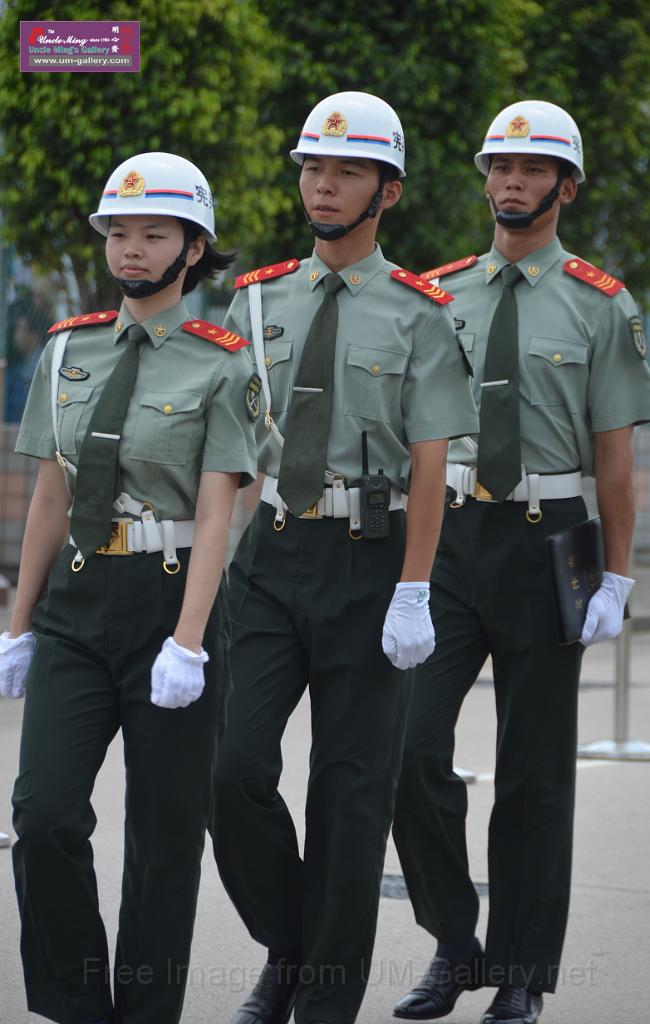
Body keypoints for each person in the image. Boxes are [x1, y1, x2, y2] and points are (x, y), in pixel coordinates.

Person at [210, 91, 478, 1024]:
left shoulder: (423, 313)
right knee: (231, 769)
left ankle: (321, 1001)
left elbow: (436, 459)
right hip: (270, 556)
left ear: (387, 191)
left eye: (347, 172)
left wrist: (415, 590)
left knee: (350, 795)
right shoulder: (255, 297)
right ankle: (290, 944)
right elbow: (233, 451)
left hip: (373, 564)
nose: (323, 186)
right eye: (314, 169)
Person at [391, 100, 650, 1024]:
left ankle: (522, 976)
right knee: (406, 750)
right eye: (499, 167)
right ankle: (457, 942)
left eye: (531, 169)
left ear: (564, 186)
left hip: (555, 537)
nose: (510, 182)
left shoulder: (600, 301)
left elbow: (616, 455)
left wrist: (618, 575)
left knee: (536, 771)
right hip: (450, 532)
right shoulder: (435, 295)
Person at [0, 151, 257, 1024]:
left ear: (193, 248)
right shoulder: (67, 350)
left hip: (171, 600)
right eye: (119, 231)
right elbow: (50, 495)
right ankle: (78, 1006)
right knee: (43, 816)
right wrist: (18, 622)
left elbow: (221, 513)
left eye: (154, 233)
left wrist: (189, 642)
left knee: (164, 837)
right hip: (76, 603)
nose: (132, 248)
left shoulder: (222, 363)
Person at [3, 291, 54, 423]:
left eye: (21, 329)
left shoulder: (40, 359)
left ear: (34, 335)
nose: (16, 335)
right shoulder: (22, 362)